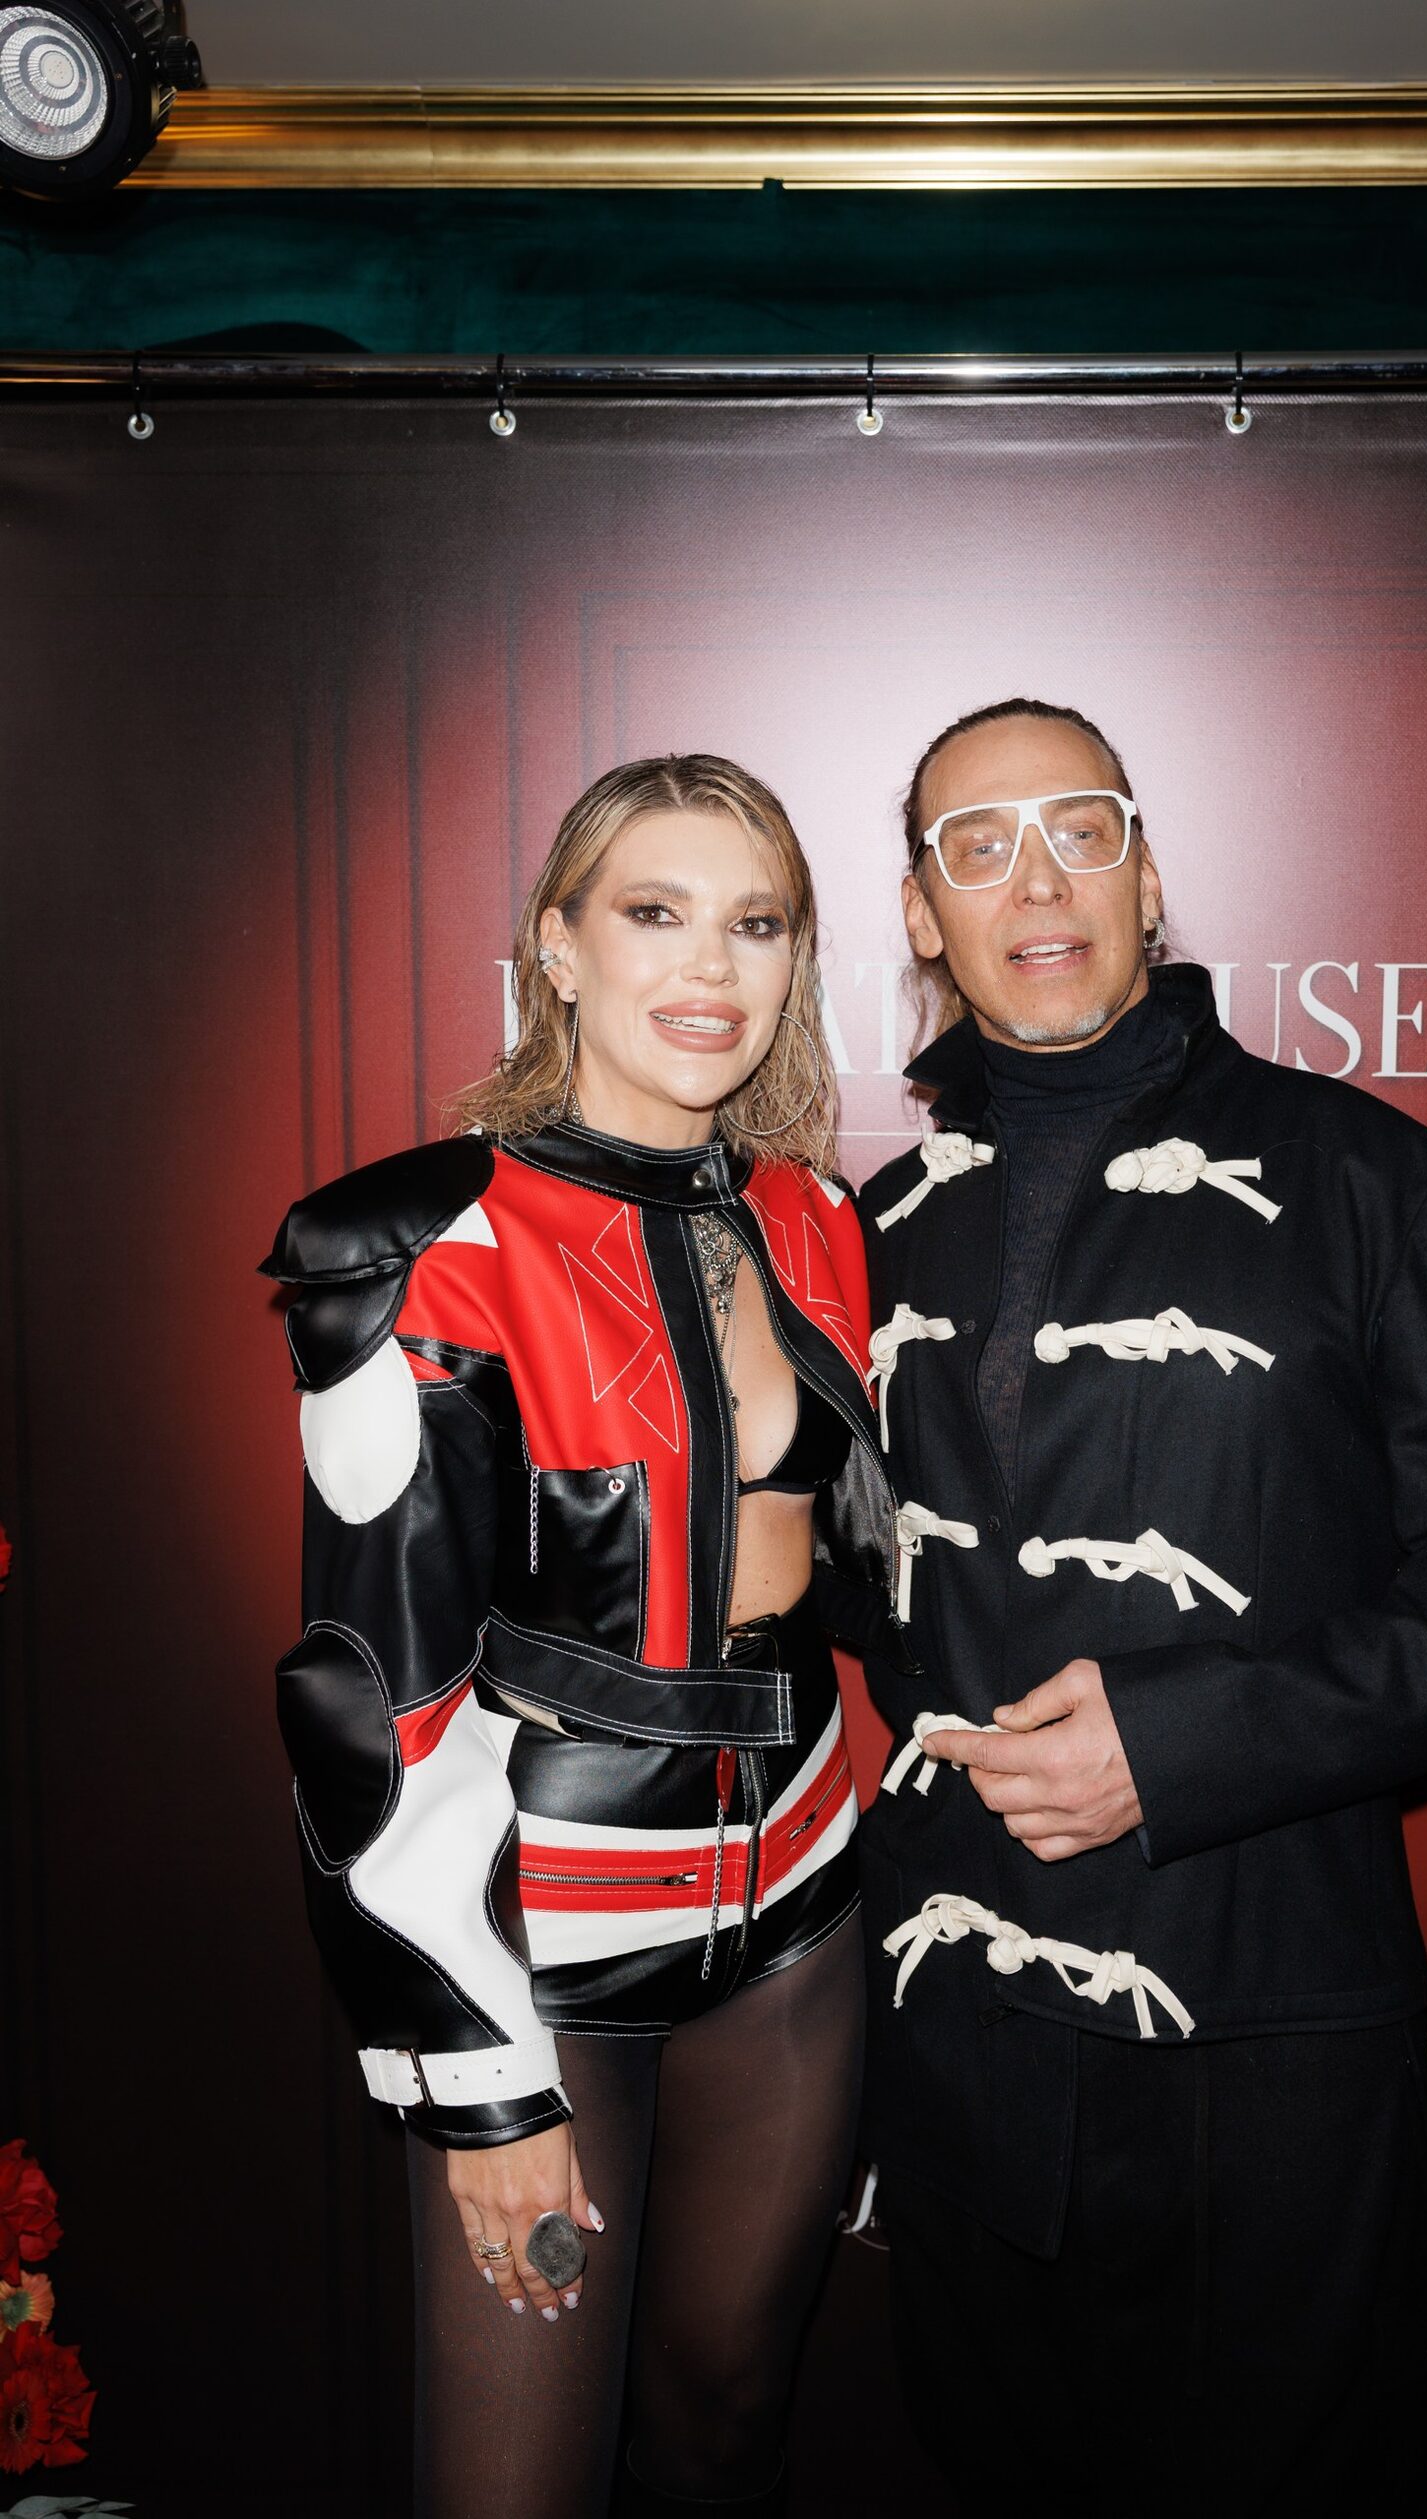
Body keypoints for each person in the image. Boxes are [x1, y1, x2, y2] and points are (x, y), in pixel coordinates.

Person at [854, 696, 1427, 2512]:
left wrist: (1186, 1741)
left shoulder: (1379, 1185)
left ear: (1146, 875)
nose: (1035, 880)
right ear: (922, 911)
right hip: (960, 2061)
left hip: (1261, 2041)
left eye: (1081, 829)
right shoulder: (869, 1234)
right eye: (978, 845)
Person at [260, 755, 911, 2519]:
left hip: (801, 1912)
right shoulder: (425, 1242)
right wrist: (483, 2085)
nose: (709, 965)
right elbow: (369, 1700)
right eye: (654, 911)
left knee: (722, 2435)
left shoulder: (816, 1220)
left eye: (755, 923)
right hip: (541, 1941)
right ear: (558, 944)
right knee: (515, 2487)